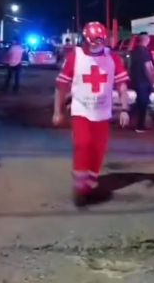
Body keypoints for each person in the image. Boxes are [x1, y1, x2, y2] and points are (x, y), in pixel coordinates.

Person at [52, 21, 130, 207]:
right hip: (81, 110)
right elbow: (61, 86)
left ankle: (91, 183)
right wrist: (58, 111)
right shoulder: (75, 57)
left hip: (102, 113)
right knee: (82, 144)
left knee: (98, 149)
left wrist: (125, 109)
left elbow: (122, 86)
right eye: (93, 42)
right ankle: (79, 187)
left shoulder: (113, 59)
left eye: (100, 41)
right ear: (86, 40)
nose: (97, 45)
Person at [129, 32, 154, 132]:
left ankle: (128, 117)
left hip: (137, 81)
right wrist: (153, 82)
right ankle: (139, 126)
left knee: (140, 102)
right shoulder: (144, 51)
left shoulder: (135, 51)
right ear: (146, 39)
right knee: (143, 103)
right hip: (143, 82)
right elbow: (148, 67)